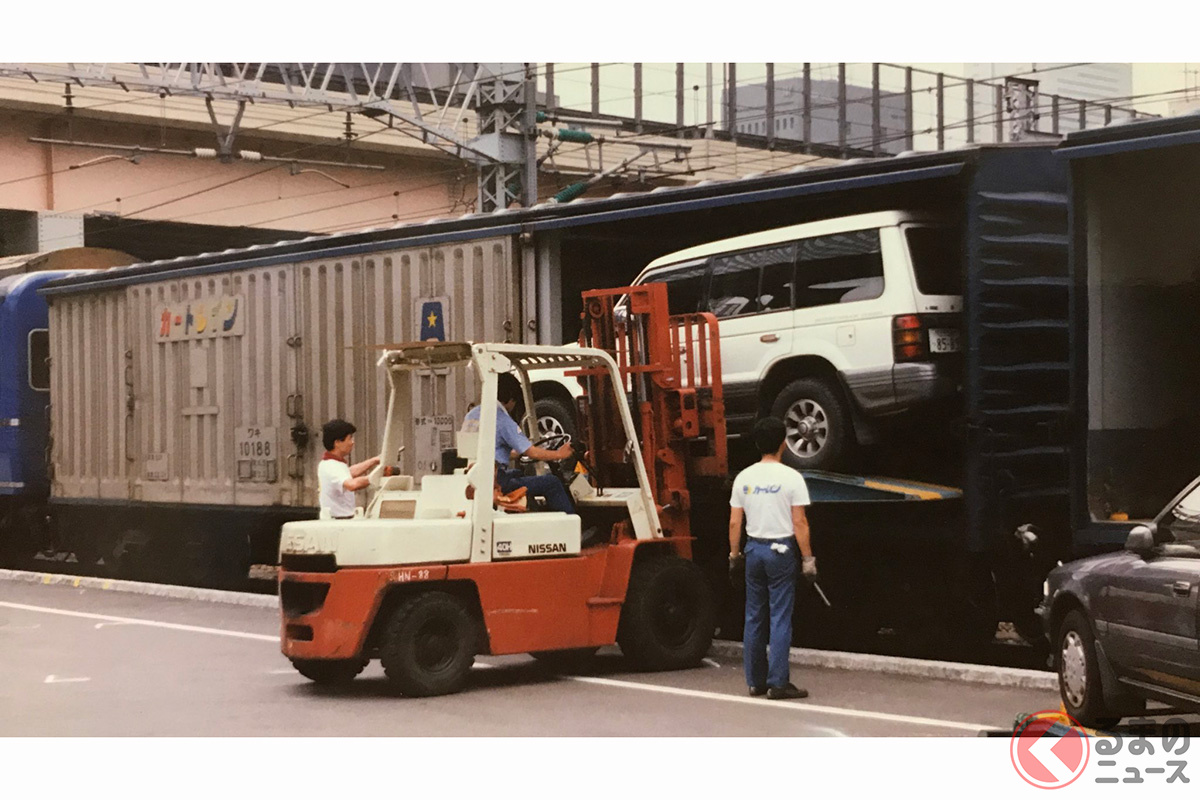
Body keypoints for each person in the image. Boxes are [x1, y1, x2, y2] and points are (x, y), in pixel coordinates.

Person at [729, 417, 818, 700]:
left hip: (753, 550)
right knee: (780, 617)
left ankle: (755, 681)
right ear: (783, 443)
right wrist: (808, 559)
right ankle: (778, 682)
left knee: (754, 615)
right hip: (781, 551)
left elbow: (734, 523)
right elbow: (800, 522)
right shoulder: (792, 478)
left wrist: (734, 555)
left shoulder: (744, 478)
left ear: (757, 443)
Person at [464, 373, 575, 513]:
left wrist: (512, 454)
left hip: (474, 475)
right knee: (552, 482)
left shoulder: (472, 415)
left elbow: (485, 450)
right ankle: (570, 523)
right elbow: (532, 452)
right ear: (510, 398)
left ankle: (533, 511)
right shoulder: (502, 420)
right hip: (495, 480)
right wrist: (560, 453)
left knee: (517, 473)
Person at [318, 419, 380, 520]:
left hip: (340, 520)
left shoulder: (332, 464)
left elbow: (350, 472)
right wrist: (377, 476)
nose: (352, 443)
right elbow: (352, 485)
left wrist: (375, 460)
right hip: (338, 521)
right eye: (350, 438)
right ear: (337, 442)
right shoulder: (331, 466)